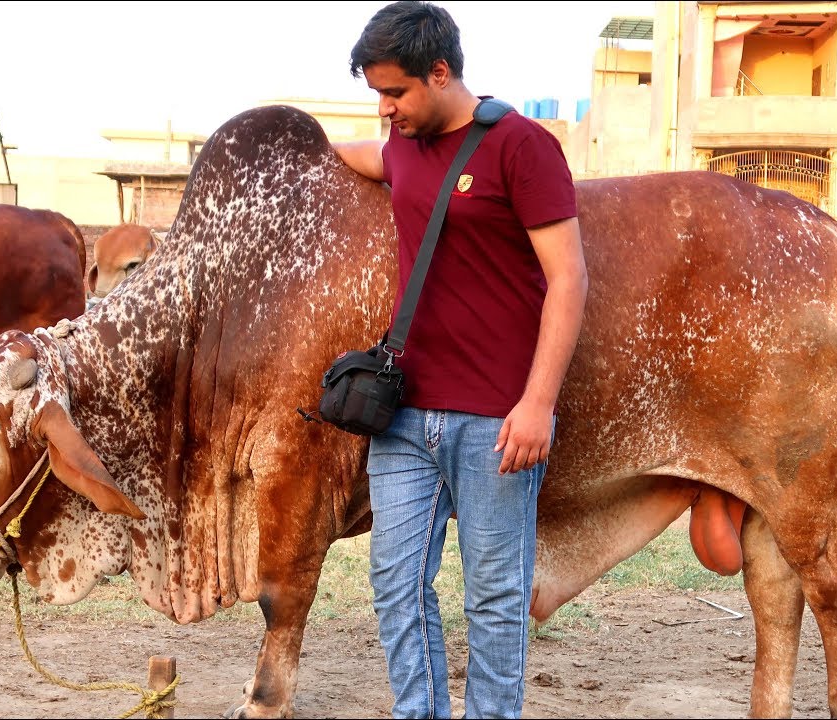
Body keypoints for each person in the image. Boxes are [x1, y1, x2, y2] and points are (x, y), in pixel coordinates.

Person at [334, 1, 588, 718]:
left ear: (440, 72)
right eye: (377, 94)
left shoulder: (521, 146)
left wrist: (537, 403)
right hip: (403, 415)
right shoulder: (400, 146)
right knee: (395, 585)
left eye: (395, 92)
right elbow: (354, 152)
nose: (384, 109)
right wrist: (288, 136)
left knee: (495, 598)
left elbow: (569, 279)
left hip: (497, 422)